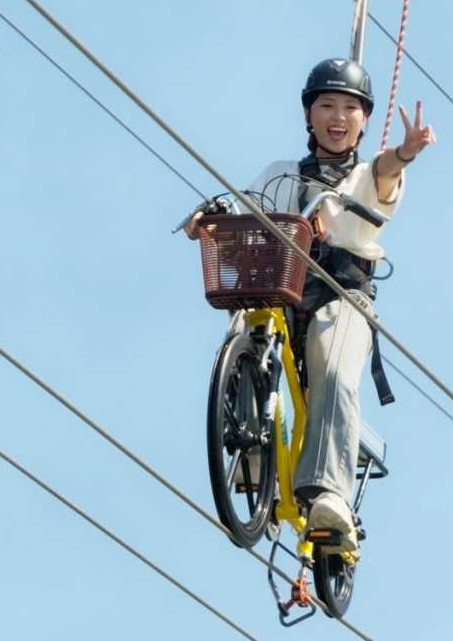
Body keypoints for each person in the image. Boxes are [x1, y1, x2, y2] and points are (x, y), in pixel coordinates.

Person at [185, 57, 435, 553]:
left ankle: (329, 494)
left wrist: (404, 153)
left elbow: (385, 175)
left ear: (364, 121)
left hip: (340, 293)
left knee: (334, 367)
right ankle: (255, 463)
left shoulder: (367, 175)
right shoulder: (278, 174)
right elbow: (243, 209)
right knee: (243, 331)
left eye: (350, 107)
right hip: (279, 288)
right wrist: (208, 217)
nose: (337, 117)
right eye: (327, 105)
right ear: (309, 114)